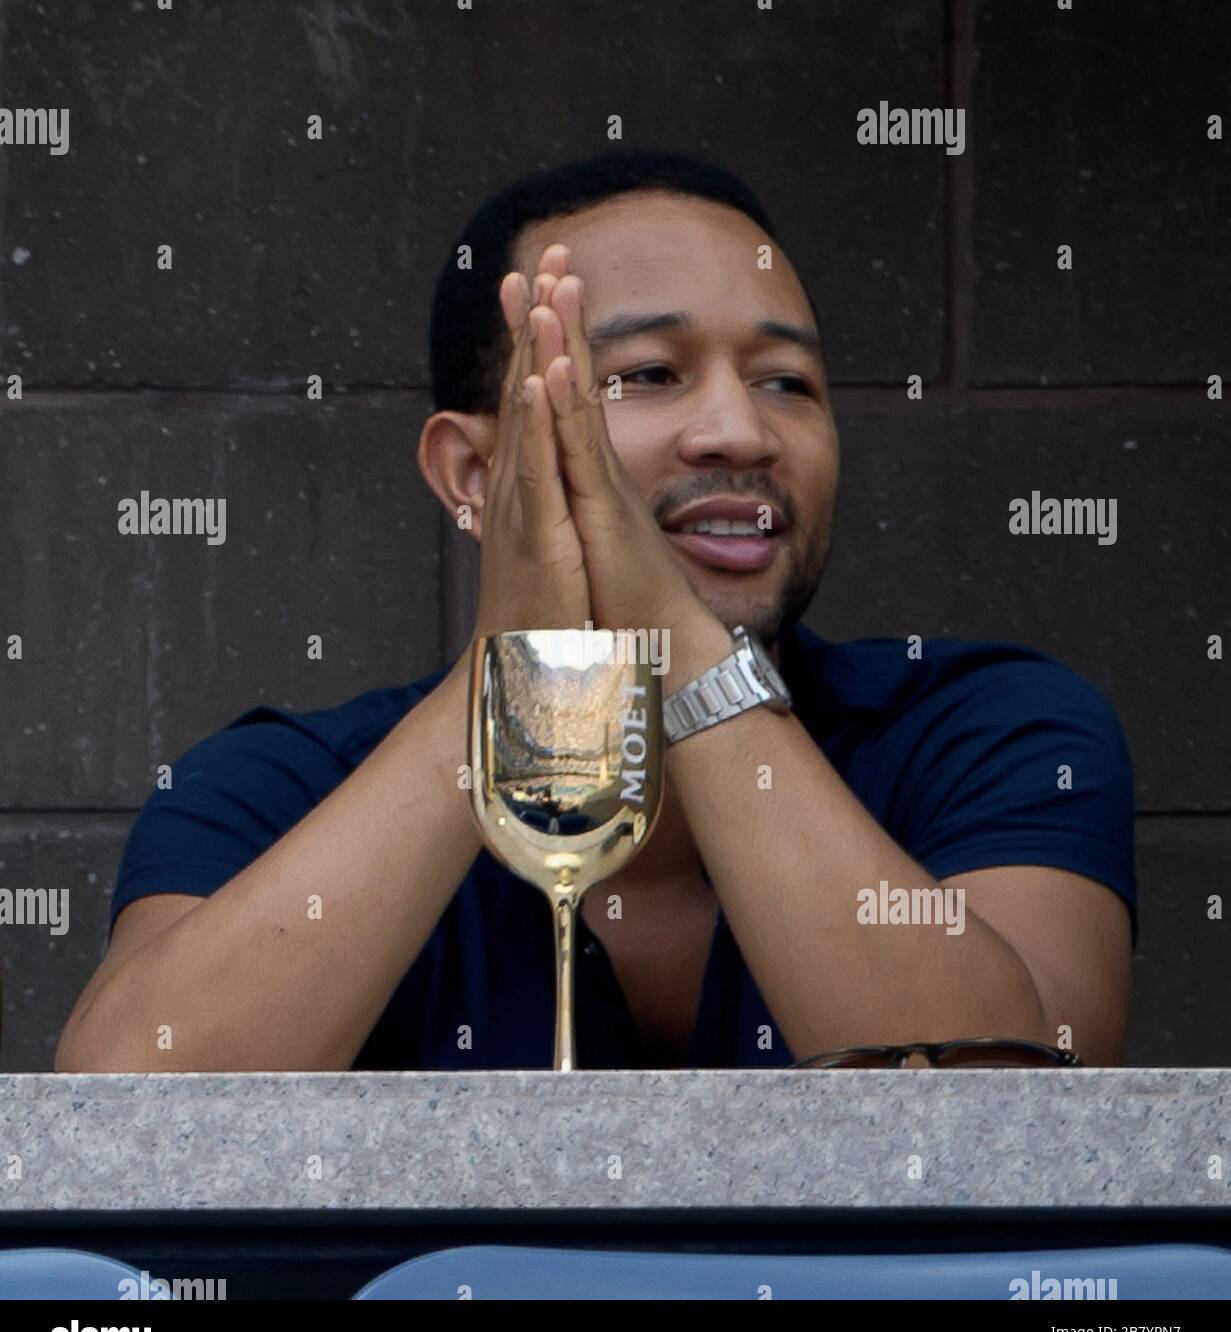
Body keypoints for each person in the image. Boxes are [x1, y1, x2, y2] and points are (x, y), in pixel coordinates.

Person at [55, 150, 1135, 1074]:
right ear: (471, 471)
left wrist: (678, 651)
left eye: (786, 383)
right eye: (651, 372)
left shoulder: (991, 732)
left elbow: (1006, 1117)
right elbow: (125, 1121)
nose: (738, 431)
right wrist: (506, 672)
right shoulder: (277, 790)